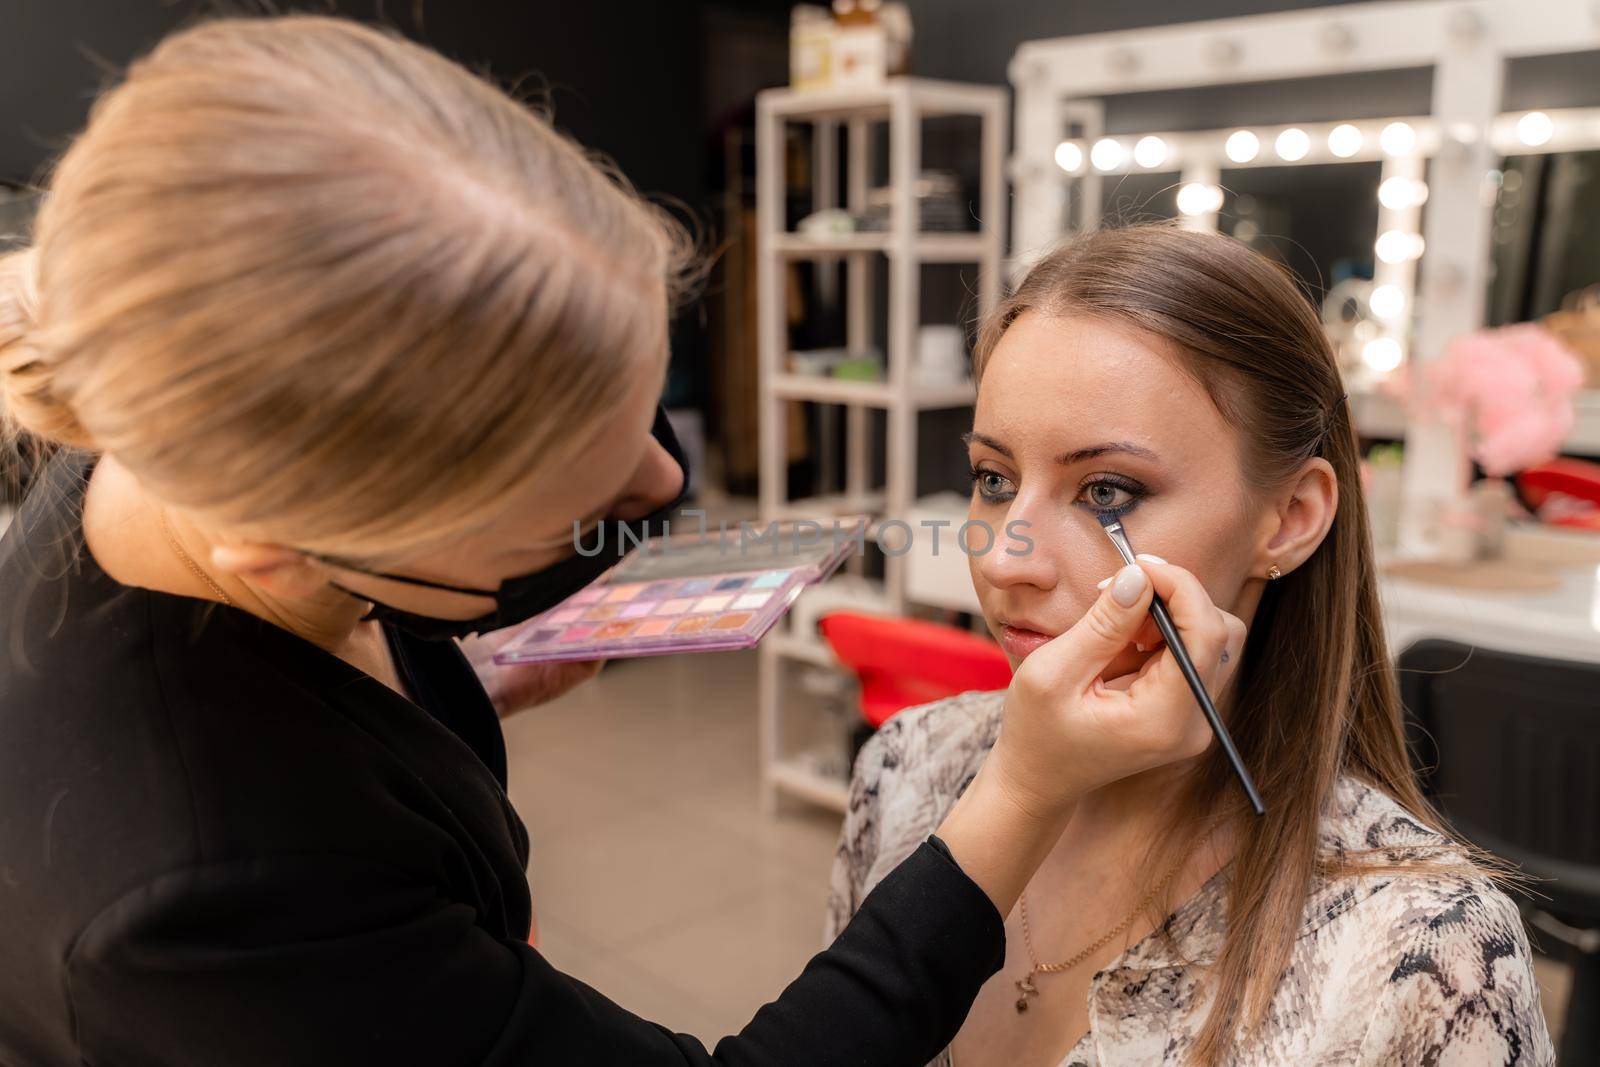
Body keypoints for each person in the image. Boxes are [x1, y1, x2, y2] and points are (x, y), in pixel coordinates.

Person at [0, 18, 1243, 1066]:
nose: (662, 478)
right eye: (565, 501)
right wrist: (1021, 790)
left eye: (643, 402)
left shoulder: (160, 416)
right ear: (295, 547)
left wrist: (456, 679)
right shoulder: (204, 903)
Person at [826, 224, 1554, 1067]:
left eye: (1107, 490)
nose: (1001, 557)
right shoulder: (903, 767)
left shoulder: (1426, 954)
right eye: (994, 479)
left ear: (1290, 518)